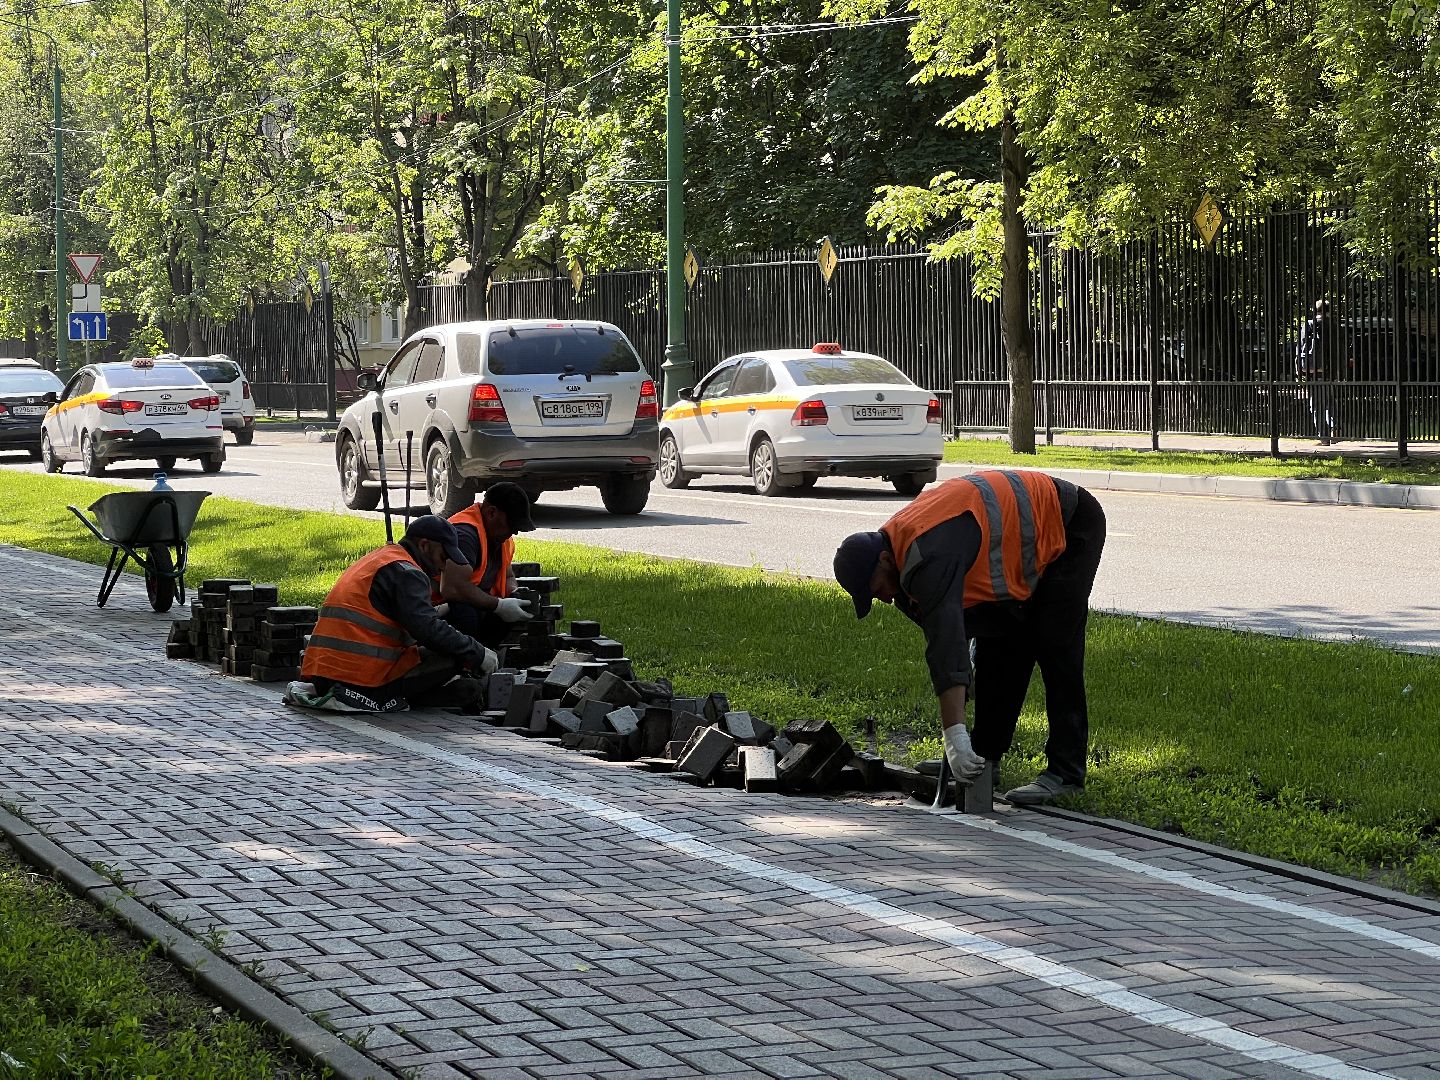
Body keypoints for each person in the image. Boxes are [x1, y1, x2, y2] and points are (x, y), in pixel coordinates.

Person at [833, 470, 1106, 806]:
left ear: (885, 560)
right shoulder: (900, 568)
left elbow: (946, 648)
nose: (884, 599)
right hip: (1018, 543)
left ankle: (1066, 773)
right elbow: (949, 642)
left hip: (1067, 521)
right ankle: (984, 759)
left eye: (877, 589)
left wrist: (955, 737)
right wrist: (965, 675)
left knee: (1055, 645)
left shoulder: (928, 555)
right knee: (1000, 645)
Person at [285, 515, 498, 713]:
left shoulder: (382, 559)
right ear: (424, 545)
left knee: (454, 673)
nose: (442, 567)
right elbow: (428, 630)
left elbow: (387, 615)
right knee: (452, 657)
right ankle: (411, 697)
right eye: (443, 557)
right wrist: (477, 652)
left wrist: (437, 613)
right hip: (358, 679)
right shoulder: (408, 573)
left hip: (325, 673)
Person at [441, 482, 538, 645]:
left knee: (508, 610)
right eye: (511, 525)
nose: (514, 532)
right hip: (438, 609)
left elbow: (508, 576)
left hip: (475, 605)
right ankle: (464, 656)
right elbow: (453, 589)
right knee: (465, 613)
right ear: (491, 513)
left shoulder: (501, 537)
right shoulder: (464, 534)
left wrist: (515, 593)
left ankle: (484, 653)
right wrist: (499, 605)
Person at [1295, 299, 1345, 446]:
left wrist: (1299, 370)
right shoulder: (1335, 326)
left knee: (1317, 405)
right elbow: (1341, 351)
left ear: (1315, 310)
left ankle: (1323, 438)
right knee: (1330, 402)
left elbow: (1301, 348)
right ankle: (1335, 430)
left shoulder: (1309, 325)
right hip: (1330, 371)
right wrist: (1340, 372)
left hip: (1314, 371)